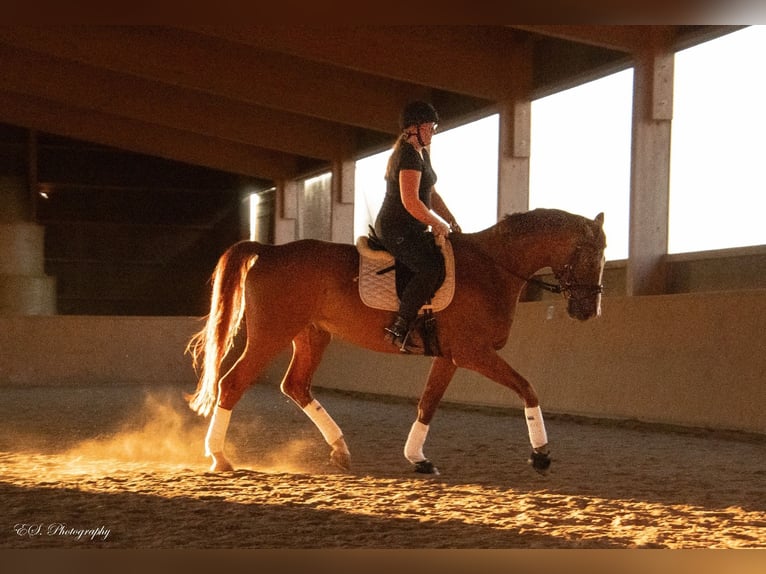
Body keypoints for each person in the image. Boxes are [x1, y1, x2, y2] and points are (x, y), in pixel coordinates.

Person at [374, 101, 462, 353]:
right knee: (429, 267)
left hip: (413, 228)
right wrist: (436, 223)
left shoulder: (422, 153)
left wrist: (451, 220)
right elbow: (410, 200)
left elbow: (430, 195)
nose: (433, 131)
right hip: (396, 229)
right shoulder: (408, 155)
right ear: (414, 129)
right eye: (430, 127)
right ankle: (400, 326)